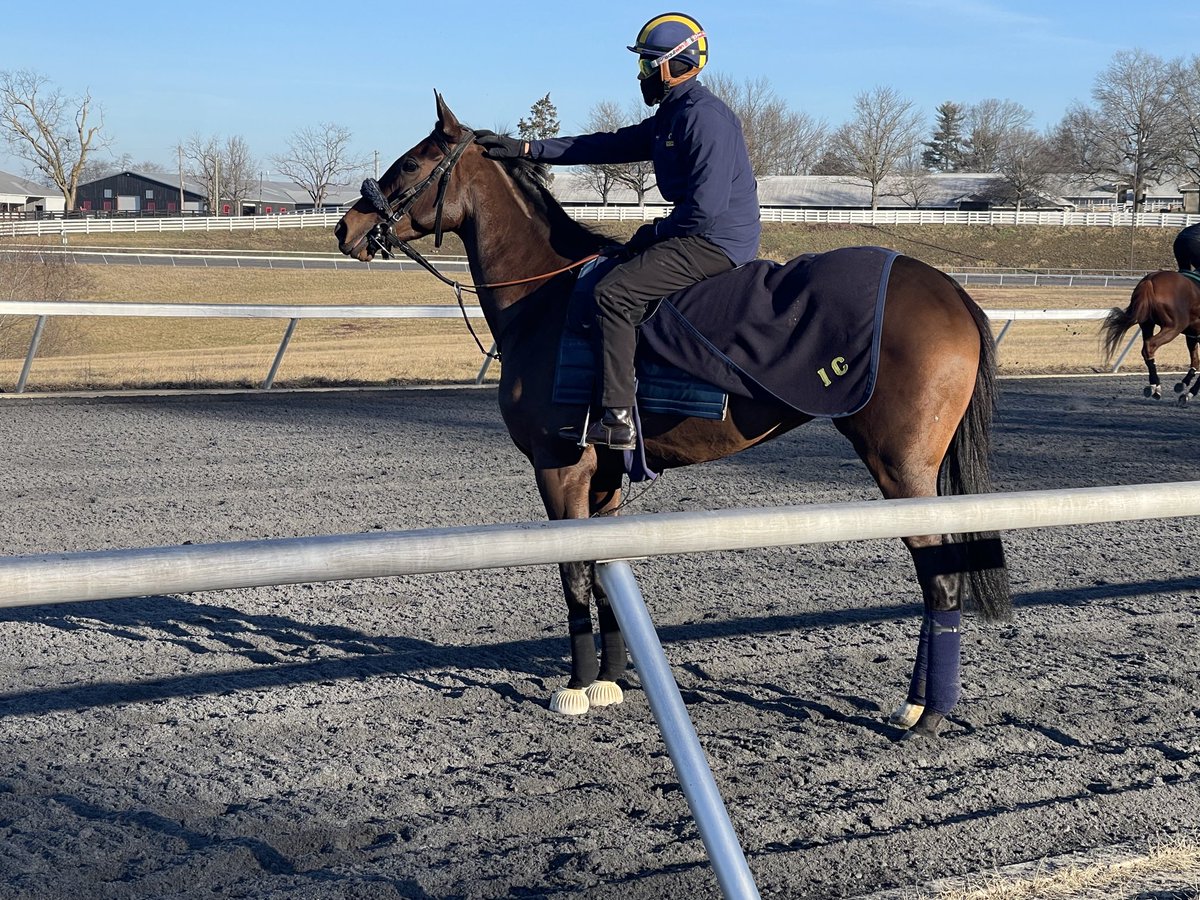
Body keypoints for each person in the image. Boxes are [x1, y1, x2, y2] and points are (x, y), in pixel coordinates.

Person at [480, 12, 760, 450]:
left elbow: (704, 211)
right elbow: (604, 144)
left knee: (614, 292)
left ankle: (618, 417)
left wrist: (653, 233)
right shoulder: (674, 114)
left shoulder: (705, 118)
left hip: (715, 241)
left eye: (648, 64)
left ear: (674, 64)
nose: (642, 74)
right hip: (696, 232)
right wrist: (528, 148)